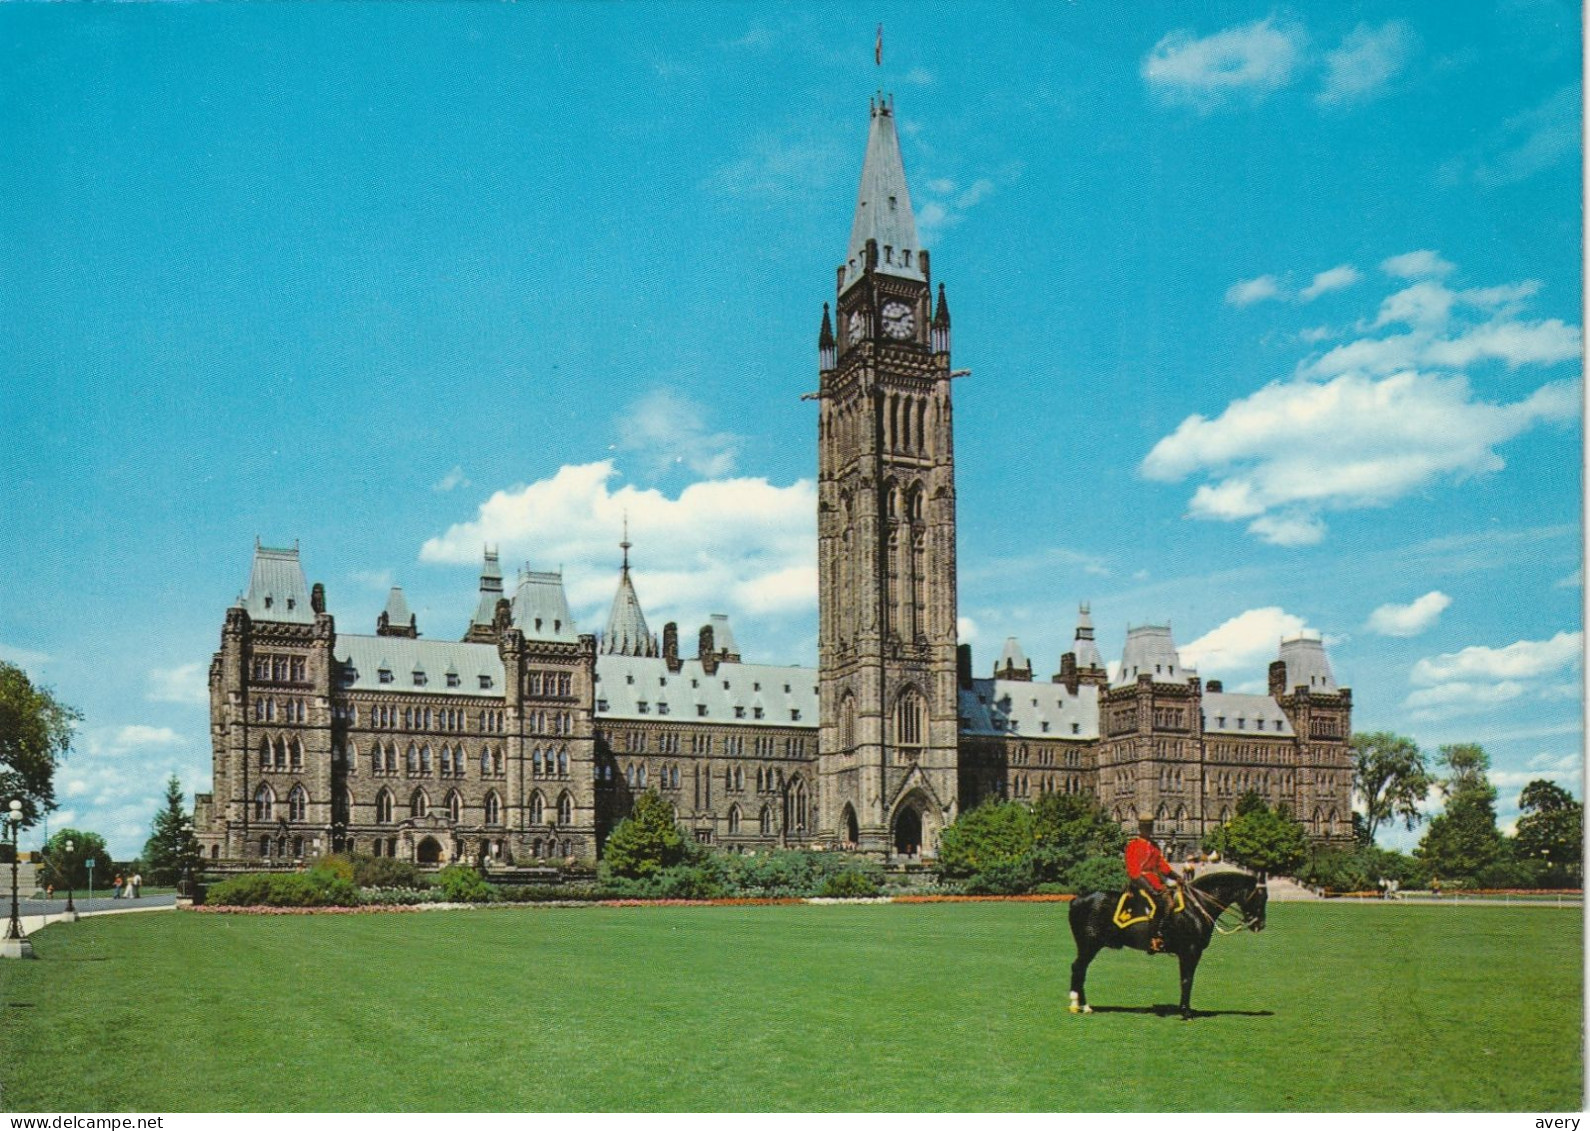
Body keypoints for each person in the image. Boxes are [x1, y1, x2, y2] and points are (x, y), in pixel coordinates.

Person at [1124, 815, 1176, 953]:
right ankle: (1153, 938)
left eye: (1150, 827)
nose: (1148, 830)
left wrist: (1176, 876)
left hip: (1156, 882)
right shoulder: (1133, 845)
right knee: (1164, 904)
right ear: (1140, 828)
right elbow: (1134, 872)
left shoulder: (1154, 845)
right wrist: (1151, 890)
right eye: (1145, 827)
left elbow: (1162, 865)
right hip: (1140, 883)